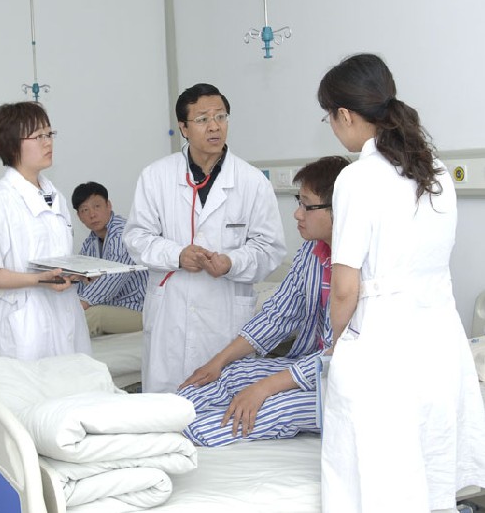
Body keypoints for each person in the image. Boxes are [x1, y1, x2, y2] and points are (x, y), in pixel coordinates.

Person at [318, 53, 485, 512]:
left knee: (379, 477)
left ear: (345, 114)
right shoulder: (435, 172)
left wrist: (336, 341)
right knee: (428, 468)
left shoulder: (357, 178)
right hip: (438, 339)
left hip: (382, 343)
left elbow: (345, 287)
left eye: (329, 116)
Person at [123, 83, 286, 393]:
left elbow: (270, 248)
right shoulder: (156, 177)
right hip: (171, 315)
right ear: (183, 128)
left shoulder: (251, 181)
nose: (214, 126)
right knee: (166, 409)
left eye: (221, 117)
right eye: (202, 119)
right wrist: (176, 254)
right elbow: (137, 237)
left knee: (223, 408)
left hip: (225, 317)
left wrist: (231, 262)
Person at [178, 156, 348, 446]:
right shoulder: (311, 253)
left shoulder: (364, 266)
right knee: (232, 374)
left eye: (307, 205)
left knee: (273, 406)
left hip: (344, 384)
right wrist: (218, 362)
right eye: (298, 201)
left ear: (340, 209)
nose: (297, 214)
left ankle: (177, 440)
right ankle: (160, 419)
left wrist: (265, 388)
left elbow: (340, 354)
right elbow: (276, 317)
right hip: (306, 365)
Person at [0, 102, 91, 359]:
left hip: (66, 310)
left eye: (50, 134)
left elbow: (57, 259)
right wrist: (38, 280)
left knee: (75, 381)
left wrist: (77, 274)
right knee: (32, 383)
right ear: (13, 144)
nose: (48, 142)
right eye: (38, 136)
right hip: (26, 321)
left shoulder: (55, 197)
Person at [71, 181, 147, 336]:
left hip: (138, 309)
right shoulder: (90, 242)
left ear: (108, 205)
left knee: (91, 316)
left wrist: (78, 306)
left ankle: (51, 348)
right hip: (114, 307)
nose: (92, 214)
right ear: (79, 216)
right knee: (70, 314)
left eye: (97, 206)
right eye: (85, 210)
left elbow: (113, 277)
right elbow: (79, 277)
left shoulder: (123, 234)